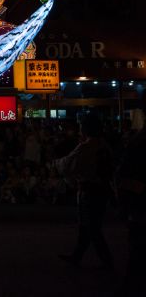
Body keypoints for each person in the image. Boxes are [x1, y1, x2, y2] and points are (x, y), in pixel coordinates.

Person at [53, 112, 114, 269]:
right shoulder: (104, 146)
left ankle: (107, 261)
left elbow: (67, 165)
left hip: (89, 190)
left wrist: (57, 162)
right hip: (102, 189)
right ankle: (78, 256)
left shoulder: (86, 147)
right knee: (89, 226)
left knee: (91, 227)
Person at [114, 127, 146, 296]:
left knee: (138, 251)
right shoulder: (138, 140)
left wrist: (124, 205)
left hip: (140, 205)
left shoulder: (138, 141)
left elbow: (125, 176)